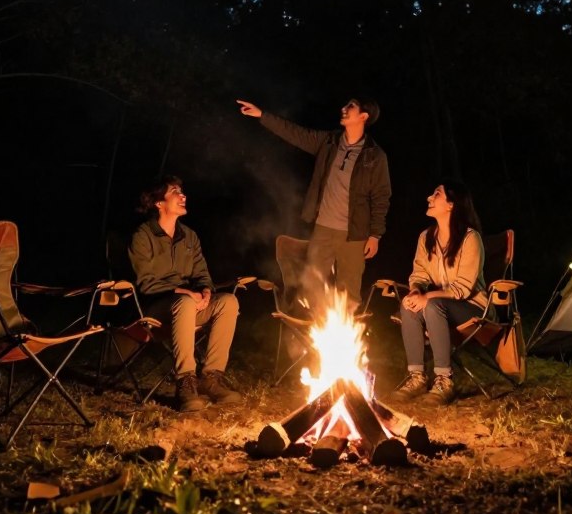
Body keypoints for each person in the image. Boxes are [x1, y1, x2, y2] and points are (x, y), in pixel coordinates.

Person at [236, 96, 391, 310]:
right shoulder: (328, 142)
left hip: (354, 234)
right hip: (324, 229)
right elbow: (296, 133)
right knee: (312, 287)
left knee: (350, 294)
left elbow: (381, 196)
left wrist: (375, 234)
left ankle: (347, 340)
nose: (343, 108)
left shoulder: (375, 156)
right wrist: (263, 115)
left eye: (351, 106)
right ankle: (315, 338)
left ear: (363, 116)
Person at [128, 175, 243, 412]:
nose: (183, 196)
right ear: (159, 203)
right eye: (175, 192)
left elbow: (202, 273)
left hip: (187, 306)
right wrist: (183, 292)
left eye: (182, 191)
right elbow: (146, 284)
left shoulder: (189, 236)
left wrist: (205, 292)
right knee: (184, 301)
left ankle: (211, 378)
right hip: (155, 310)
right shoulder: (143, 236)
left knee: (228, 301)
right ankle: (185, 382)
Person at [396, 179, 488, 406]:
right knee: (409, 304)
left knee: (431, 305)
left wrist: (427, 297)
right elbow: (418, 276)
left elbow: (463, 288)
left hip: (471, 307)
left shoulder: (470, 238)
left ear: (451, 205)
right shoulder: (425, 237)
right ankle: (417, 377)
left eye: (436, 194)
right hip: (438, 305)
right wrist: (417, 292)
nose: (429, 197)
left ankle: (444, 380)